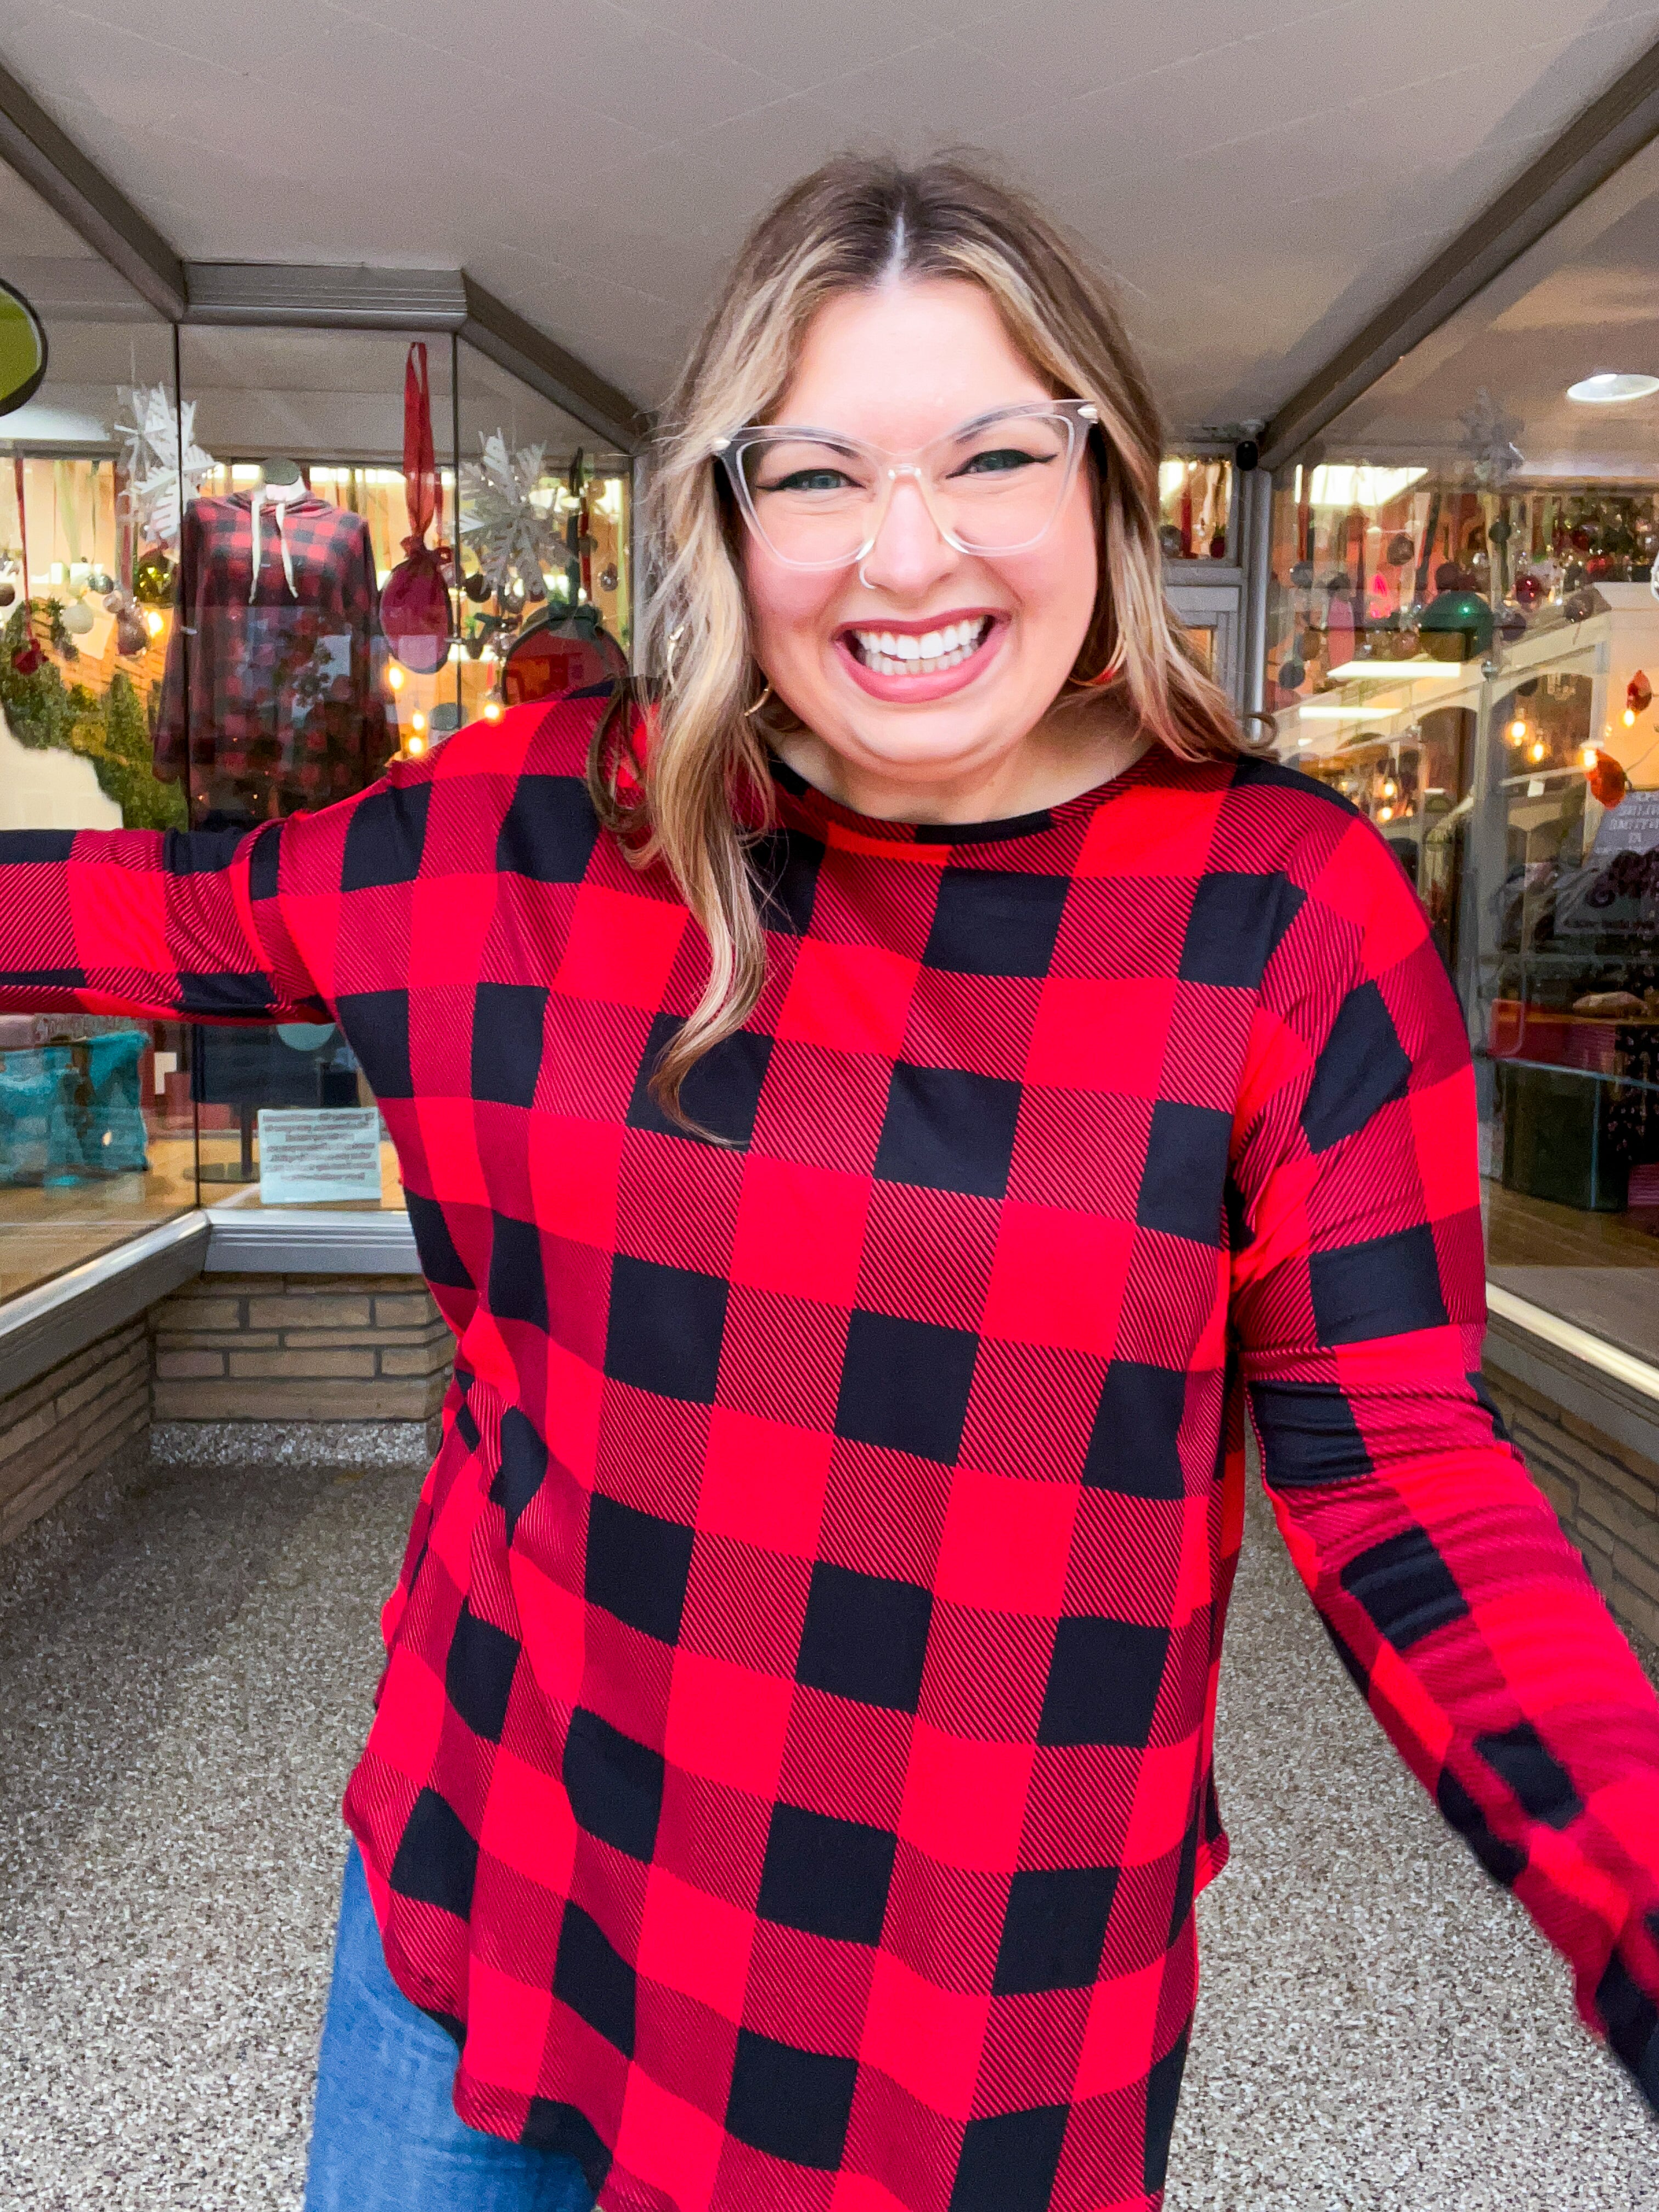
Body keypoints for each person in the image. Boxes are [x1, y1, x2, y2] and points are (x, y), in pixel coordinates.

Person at [3, 155, 1658, 2212]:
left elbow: (1405, 1464)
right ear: (724, 512)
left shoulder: (1279, 920)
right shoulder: (540, 834)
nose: (907, 553)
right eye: (814, 473)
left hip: (961, 2015)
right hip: (499, 1908)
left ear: (1104, 484)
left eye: (991, 456)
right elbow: (161, 910)